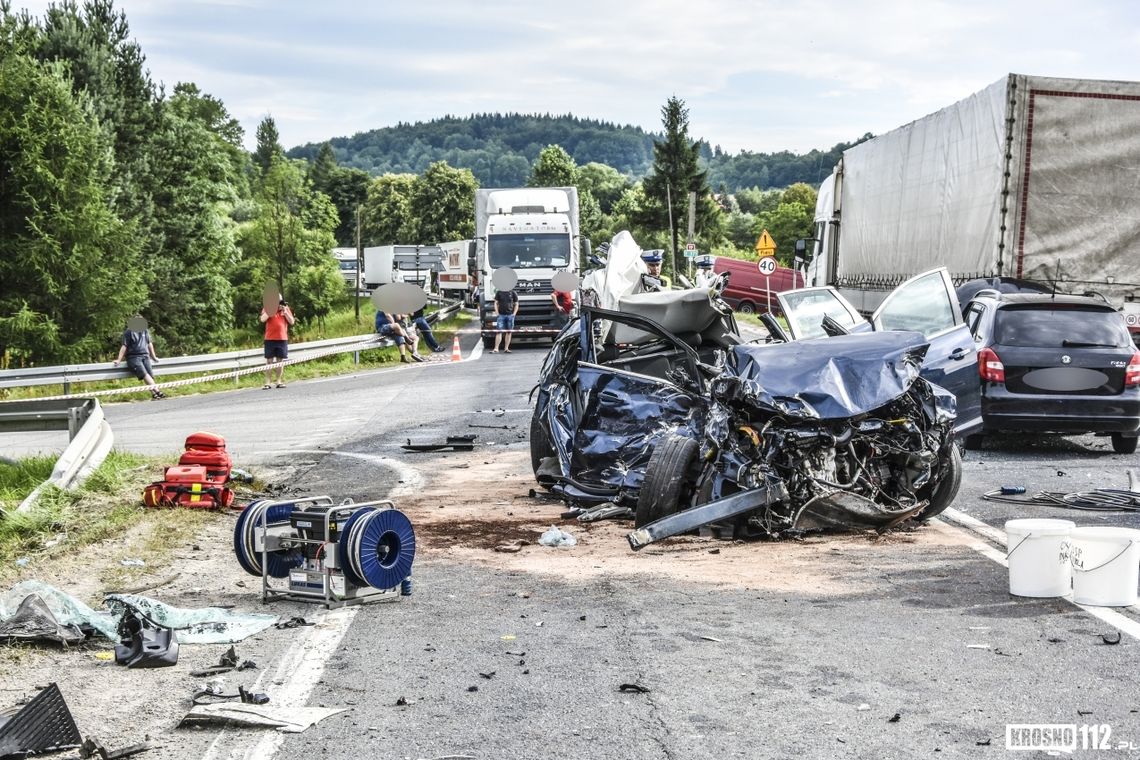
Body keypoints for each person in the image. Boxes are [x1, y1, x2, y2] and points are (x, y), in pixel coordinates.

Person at [113, 317, 165, 399]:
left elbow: (149, 344)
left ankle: (153, 394)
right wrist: (119, 359)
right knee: (144, 374)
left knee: (149, 375)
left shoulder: (145, 331)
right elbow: (124, 346)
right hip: (134, 357)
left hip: (145, 356)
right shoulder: (128, 332)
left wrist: (154, 357)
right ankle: (158, 391)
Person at [260, 297, 295, 388]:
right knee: (269, 361)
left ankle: (278, 381)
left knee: (280, 360)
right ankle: (267, 382)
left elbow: (292, 322)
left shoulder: (285, 308)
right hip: (270, 338)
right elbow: (262, 319)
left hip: (282, 338)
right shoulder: (268, 308)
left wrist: (285, 311)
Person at [492, 283, 519, 353]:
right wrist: (497, 313)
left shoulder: (513, 293)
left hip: (510, 315)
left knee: (509, 332)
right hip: (501, 315)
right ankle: (496, 348)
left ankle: (506, 348)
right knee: (498, 332)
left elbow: (516, 304)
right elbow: (495, 303)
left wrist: (514, 314)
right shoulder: (499, 292)